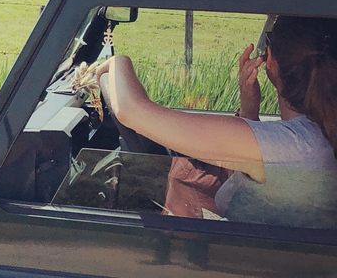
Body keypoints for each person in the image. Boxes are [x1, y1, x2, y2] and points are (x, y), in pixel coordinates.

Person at [96, 16, 337, 227]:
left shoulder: (295, 145)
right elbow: (253, 164)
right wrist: (249, 108)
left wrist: (118, 60)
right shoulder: (313, 136)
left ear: (270, 61)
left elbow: (131, 111)